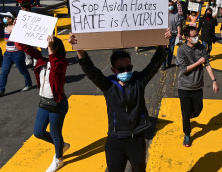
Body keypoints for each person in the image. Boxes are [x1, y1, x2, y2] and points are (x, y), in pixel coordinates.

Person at [69, 29, 171, 172]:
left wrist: (163, 44)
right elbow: (91, 71)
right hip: (115, 139)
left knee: (139, 169)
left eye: (129, 67)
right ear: (113, 69)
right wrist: (79, 50)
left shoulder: (138, 81)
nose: (126, 71)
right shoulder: (108, 86)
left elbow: (153, 65)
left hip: (136, 139)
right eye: (121, 68)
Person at [18, 36, 69, 172]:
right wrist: (18, 32)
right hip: (44, 101)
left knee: (55, 133)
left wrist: (51, 49)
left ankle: (59, 160)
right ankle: (61, 145)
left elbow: (55, 66)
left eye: (47, 47)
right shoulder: (42, 58)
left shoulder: (61, 61)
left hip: (57, 103)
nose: (43, 49)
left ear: (55, 48)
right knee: (38, 132)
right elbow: (24, 48)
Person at [176, 26, 219, 147]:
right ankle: (187, 134)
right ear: (187, 38)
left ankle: (188, 119)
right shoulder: (181, 50)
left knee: (197, 110)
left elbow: (207, 64)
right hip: (184, 86)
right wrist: (198, 62)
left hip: (198, 86)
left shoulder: (201, 47)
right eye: (194, 36)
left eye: (197, 35)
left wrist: (214, 81)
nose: (197, 38)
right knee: (185, 113)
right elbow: (184, 69)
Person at [0, 11, 33, 97]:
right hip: (7, 54)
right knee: (4, 72)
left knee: (23, 70)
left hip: (17, 53)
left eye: (6, 17)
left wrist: (17, 25)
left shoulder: (18, 28)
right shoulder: (5, 28)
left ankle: (28, 84)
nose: (4, 19)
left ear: (11, 19)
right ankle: (1, 90)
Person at [162, 1, 182, 70]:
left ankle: (169, 63)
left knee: (171, 50)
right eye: (168, 5)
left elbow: (178, 25)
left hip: (173, 34)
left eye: (171, 5)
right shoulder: (163, 13)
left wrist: (179, 33)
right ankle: (163, 64)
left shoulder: (176, 14)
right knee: (163, 50)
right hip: (164, 34)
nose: (170, 6)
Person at [20, 2, 36, 67]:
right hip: (25, 34)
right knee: (26, 49)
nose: (21, 10)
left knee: (33, 48)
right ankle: (28, 61)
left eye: (22, 8)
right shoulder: (21, 16)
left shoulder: (34, 15)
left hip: (33, 34)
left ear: (27, 9)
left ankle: (35, 61)